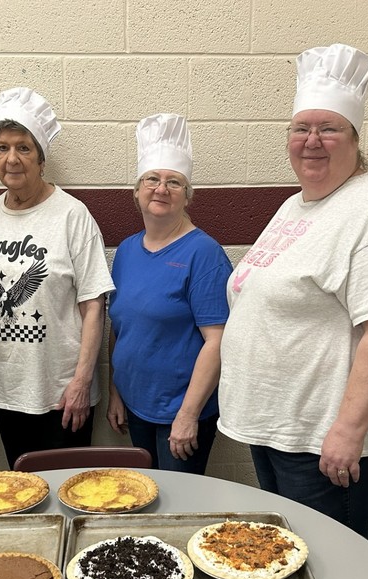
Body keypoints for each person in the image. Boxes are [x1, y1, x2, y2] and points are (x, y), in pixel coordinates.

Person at [218, 44, 368, 538]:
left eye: (328, 128)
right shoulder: (297, 206)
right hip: (277, 430)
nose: (312, 141)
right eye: (301, 128)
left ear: (355, 138)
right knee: (288, 559)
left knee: (332, 571)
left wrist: (348, 431)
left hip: (322, 445)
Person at [0, 87, 114, 470]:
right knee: (23, 493)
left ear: (41, 158)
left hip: (61, 394)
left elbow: (94, 304)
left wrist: (81, 383)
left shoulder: (72, 216)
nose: (12, 159)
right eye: (2, 148)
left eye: (23, 148)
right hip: (6, 390)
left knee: (69, 495)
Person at [107, 114, 231, 473]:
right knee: (146, 495)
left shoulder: (203, 254)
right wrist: (116, 391)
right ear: (136, 191)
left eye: (174, 182)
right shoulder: (127, 250)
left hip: (181, 411)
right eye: (152, 179)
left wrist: (188, 415)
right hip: (135, 403)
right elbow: (119, 327)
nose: (161, 189)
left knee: (177, 505)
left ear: (187, 197)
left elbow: (217, 341)